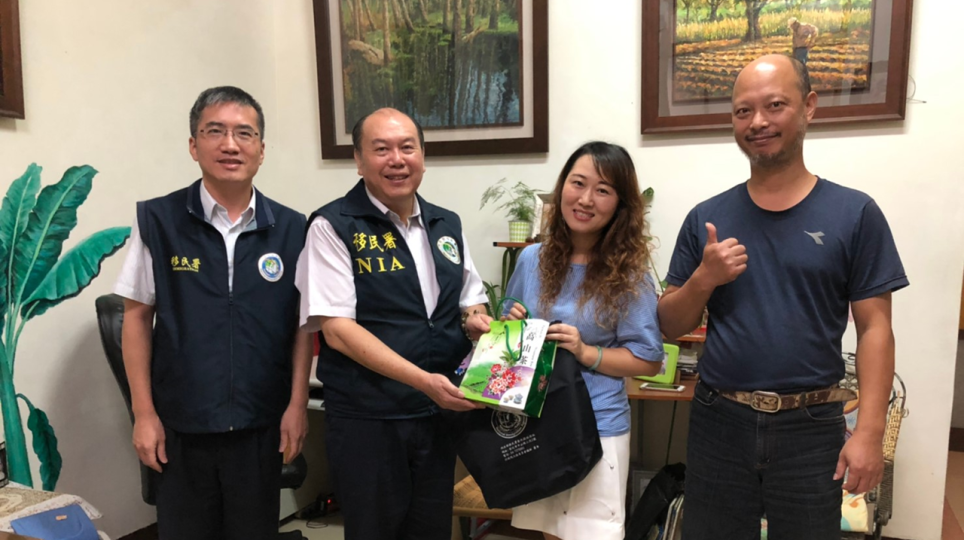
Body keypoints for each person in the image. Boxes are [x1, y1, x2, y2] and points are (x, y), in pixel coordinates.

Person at [658, 55, 908, 540]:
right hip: (719, 419)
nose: (758, 122)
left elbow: (875, 328)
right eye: (743, 111)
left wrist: (870, 432)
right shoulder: (706, 218)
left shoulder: (854, 213)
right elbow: (670, 324)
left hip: (810, 425)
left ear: (808, 106)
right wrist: (704, 278)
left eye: (775, 105)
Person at [114, 86, 311, 540]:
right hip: (182, 426)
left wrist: (297, 405)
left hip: (260, 423)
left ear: (261, 149)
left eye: (245, 133)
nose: (230, 145)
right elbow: (136, 317)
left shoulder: (293, 228)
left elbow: (302, 326)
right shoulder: (159, 221)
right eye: (215, 131)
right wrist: (144, 414)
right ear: (193, 145)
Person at [295, 108, 491, 540]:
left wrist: (477, 323)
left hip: (435, 416)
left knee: (430, 530)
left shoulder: (446, 224)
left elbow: (470, 302)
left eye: (407, 147)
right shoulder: (333, 226)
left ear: (423, 155)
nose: (397, 160)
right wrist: (424, 381)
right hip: (370, 419)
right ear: (359, 160)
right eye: (381, 149)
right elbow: (337, 331)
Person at [502, 142, 664, 540]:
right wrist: (510, 324)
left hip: (596, 428)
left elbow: (649, 360)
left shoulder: (630, 275)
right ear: (562, 188)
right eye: (578, 183)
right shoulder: (531, 259)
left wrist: (585, 351)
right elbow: (509, 332)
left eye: (603, 190)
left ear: (620, 205)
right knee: (549, 533)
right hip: (538, 422)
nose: (586, 199)